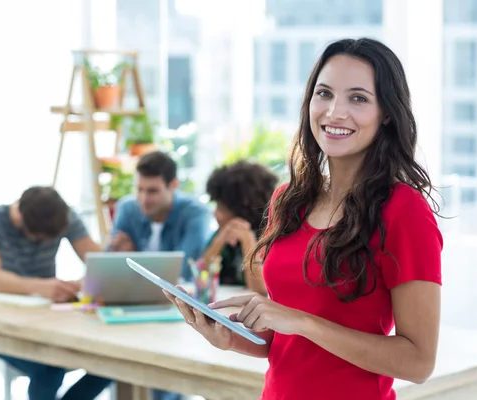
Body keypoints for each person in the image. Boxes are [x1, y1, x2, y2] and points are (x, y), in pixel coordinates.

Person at [164, 37, 443, 400]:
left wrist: (302, 322)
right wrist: (231, 338)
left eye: (358, 98)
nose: (334, 112)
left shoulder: (404, 211)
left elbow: (418, 362)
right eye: (324, 93)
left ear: (387, 113)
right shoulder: (289, 200)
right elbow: (288, 344)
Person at [0, 186, 111, 399]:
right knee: (49, 371)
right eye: (39, 238)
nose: (45, 243)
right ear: (20, 215)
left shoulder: (64, 217)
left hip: (47, 319)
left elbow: (101, 264)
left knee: (111, 361)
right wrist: (40, 286)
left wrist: (84, 282)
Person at [109, 150, 212, 282]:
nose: (143, 199)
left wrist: (133, 258)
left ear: (173, 185)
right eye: (139, 190)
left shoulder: (196, 213)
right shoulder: (127, 208)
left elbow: (185, 271)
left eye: (153, 191)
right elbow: (109, 268)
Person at [200, 160, 278, 294]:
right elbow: (202, 274)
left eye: (222, 208)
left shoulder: (273, 235)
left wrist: (248, 242)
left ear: (242, 207)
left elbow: (261, 290)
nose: (216, 213)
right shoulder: (223, 232)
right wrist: (219, 241)